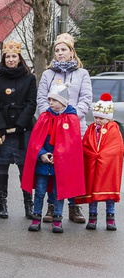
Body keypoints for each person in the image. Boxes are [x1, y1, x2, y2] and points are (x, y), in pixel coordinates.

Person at [36, 32, 92, 224]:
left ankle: (73, 205)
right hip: (51, 128)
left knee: (73, 168)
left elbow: (86, 99)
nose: (60, 53)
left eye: (63, 50)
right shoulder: (48, 74)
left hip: (75, 128)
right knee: (52, 166)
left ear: (71, 52)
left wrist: (72, 116)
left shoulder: (82, 74)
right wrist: (50, 116)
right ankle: (52, 205)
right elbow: (42, 98)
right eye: (57, 50)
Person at [22, 83, 86, 233]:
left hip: (60, 165)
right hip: (43, 163)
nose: (50, 103)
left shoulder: (71, 118)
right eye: (49, 100)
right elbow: (35, 141)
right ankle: (36, 219)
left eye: (54, 100)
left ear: (63, 102)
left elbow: (72, 144)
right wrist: (41, 154)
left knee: (59, 193)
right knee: (39, 191)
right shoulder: (45, 117)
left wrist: (59, 156)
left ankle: (57, 220)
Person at [0, 40, 37, 218]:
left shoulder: (29, 77)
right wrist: (1, 126)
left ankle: (28, 204)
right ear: (3, 58)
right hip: (3, 128)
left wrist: (20, 125)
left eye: (13, 56)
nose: (10, 59)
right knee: (2, 166)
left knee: (24, 168)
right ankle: (2, 203)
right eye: (7, 57)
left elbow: (32, 103)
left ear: (19, 58)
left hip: (23, 129)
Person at [77, 94, 123, 231]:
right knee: (93, 191)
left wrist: (102, 155)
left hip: (108, 166)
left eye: (101, 118)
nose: (97, 120)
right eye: (96, 117)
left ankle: (110, 219)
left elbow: (117, 147)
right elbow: (86, 143)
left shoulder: (114, 129)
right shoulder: (91, 128)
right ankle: (92, 218)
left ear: (108, 118)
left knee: (108, 192)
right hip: (93, 164)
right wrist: (92, 154)